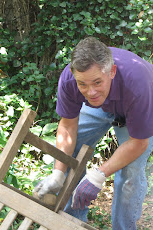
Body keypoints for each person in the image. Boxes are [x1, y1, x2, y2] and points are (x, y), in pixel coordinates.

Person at [34, 37, 153, 229]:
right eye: (83, 84)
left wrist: (99, 175)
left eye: (97, 82)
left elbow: (139, 142)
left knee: (130, 172)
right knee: (70, 152)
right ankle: (72, 221)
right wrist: (58, 172)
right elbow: (67, 127)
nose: (90, 92)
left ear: (112, 72)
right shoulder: (70, 79)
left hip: (137, 106)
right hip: (102, 105)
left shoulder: (138, 84)